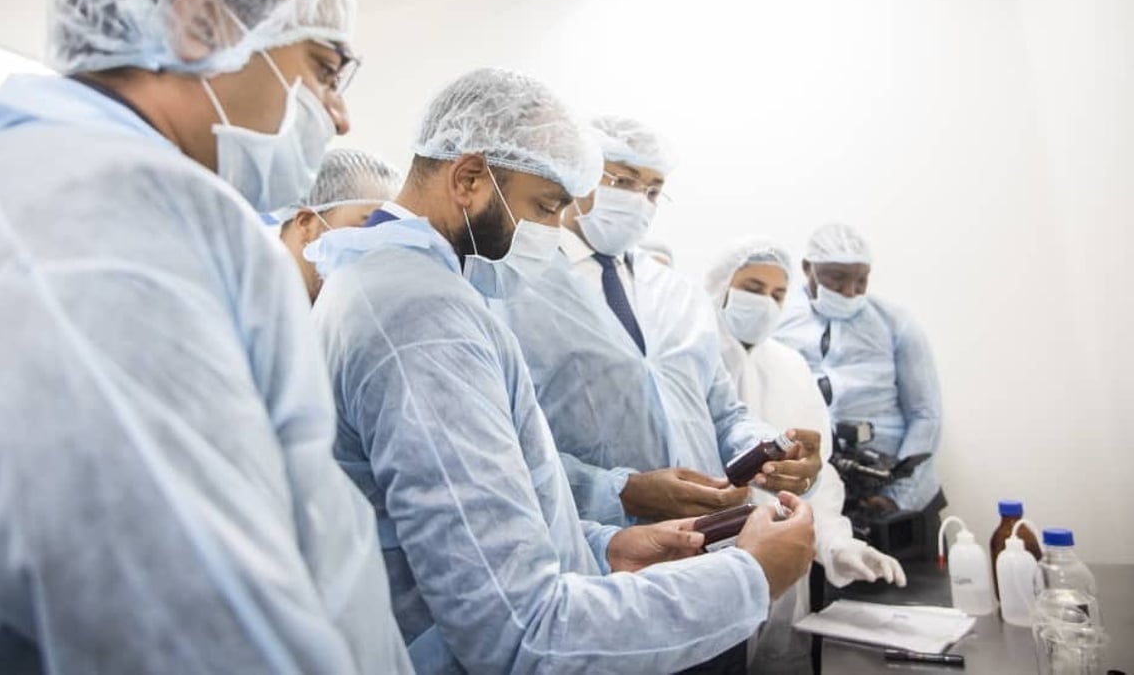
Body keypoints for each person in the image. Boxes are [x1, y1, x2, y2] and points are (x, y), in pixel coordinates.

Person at [0, 0, 410, 672]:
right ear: (199, 23)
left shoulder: (125, 212)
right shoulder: (79, 239)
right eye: (324, 66)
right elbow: (194, 632)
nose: (340, 113)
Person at [308, 67, 816, 674]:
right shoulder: (421, 316)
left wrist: (601, 545)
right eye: (545, 207)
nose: (552, 231)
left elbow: (491, 512)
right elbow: (522, 633)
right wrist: (749, 576)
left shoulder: (401, 285)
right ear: (469, 178)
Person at [493, 115, 823, 530]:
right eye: (624, 182)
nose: (639, 202)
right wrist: (620, 491)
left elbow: (723, 413)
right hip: (591, 543)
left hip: (706, 535)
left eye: (653, 190)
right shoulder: (515, 285)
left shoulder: (676, 293)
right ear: (577, 178)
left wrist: (766, 450)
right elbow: (504, 443)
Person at [706, 237, 906, 674]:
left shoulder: (791, 367)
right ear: (720, 285)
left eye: (778, 295)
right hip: (704, 569)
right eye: (753, 289)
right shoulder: (692, 360)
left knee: (779, 661)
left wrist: (836, 544)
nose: (766, 303)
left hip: (785, 574)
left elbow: (818, 477)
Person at [773, 223, 945, 537]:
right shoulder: (777, 320)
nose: (850, 291)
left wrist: (897, 496)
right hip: (814, 493)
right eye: (836, 277)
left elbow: (925, 415)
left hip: (893, 495)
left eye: (861, 279)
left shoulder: (895, 323)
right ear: (807, 268)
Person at [273, 148, 402, 301]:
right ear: (305, 223)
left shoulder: (346, 312)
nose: (379, 249)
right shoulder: (250, 303)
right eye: (368, 227)